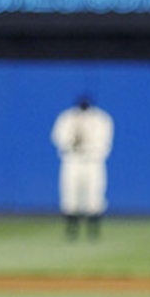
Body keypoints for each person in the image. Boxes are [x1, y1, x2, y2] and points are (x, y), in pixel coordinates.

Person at [51, 96, 114, 241]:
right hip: (72, 160)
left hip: (93, 161)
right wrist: (71, 141)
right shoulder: (67, 117)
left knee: (94, 195)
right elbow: (58, 137)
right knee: (70, 194)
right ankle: (71, 230)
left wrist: (87, 143)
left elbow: (105, 141)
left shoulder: (101, 118)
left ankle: (93, 231)